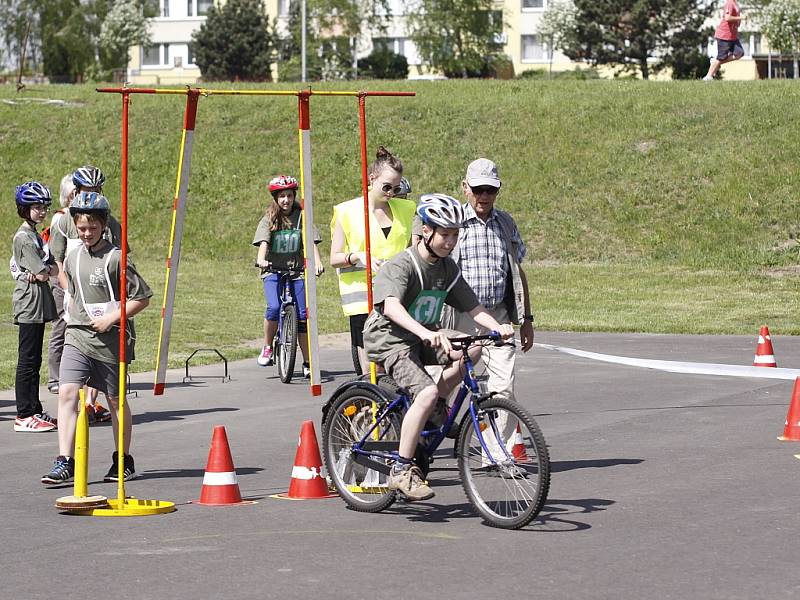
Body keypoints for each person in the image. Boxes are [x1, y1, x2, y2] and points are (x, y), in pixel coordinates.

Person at [363, 194, 514, 501]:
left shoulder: (447, 269)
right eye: (445, 234)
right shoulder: (402, 265)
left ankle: (435, 410)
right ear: (427, 231)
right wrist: (424, 332)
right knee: (426, 392)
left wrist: (499, 328)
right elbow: (391, 307)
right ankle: (402, 470)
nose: (450, 241)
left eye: (455, 235)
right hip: (390, 339)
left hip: (423, 335)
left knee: (472, 348)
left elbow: (474, 307)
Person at [41, 192, 152, 485]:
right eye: (81, 227)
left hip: (110, 339)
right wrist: (73, 310)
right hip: (77, 335)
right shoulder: (73, 255)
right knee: (66, 393)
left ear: (103, 225)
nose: (86, 233)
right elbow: (71, 286)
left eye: (92, 227)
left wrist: (110, 318)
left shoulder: (116, 259)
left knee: (115, 401)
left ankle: (122, 459)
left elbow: (141, 298)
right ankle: (64, 460)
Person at [413, 158, 534, 408]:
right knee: (440, 386)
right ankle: (427, 433)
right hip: (457, 316)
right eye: (479, 189)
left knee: (502, 391)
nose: (485, 196)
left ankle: (497, 448)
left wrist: (526, 320)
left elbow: (517, 272)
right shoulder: (452, 223)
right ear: (465, 187)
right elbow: (426, 267)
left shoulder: (506, 223)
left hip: (497, 315)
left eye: (491, 189)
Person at [330, 146, 416, 374]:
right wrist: (357, 256)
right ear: (372, 179)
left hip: (396, 295)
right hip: (363, 299)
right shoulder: (347, 211)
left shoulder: (407, 209)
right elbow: (334, 258)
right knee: (373, 371)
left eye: (396, 188)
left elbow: (413, 250)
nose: (391, 193)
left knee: (400, 366)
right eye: (386, 187)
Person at [49, 165, 119, 422]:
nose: (91, 194)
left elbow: (119, 258)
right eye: (86, 190)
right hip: (70, 286)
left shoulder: (109, 222)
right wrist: (70, 292)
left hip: (100, 291)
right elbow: (56, 262)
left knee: (100, 343)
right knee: (66, 334)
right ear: (76, 190)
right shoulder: (63, 221)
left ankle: (91, 401)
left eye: (96, 189)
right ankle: (61, 384)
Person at [254, 175, 324, 378]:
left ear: (294, 196)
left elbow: (310, 242)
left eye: (289, 196)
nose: (286, 200)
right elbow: (263, 242)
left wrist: (316, 262)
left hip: (296, 270)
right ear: (276, 198)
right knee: (274, 307)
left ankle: (308, 361)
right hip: (273, 270)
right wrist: (261, 259)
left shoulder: (302, 216)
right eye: (282, 196)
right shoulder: (270, 217)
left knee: (302, 315)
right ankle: (267, 346)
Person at [11, 182, 58, 432]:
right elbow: (43, 272)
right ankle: (24, 414)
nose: (42, 211)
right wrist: (46, 269)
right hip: (29, 303)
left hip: (38, 303)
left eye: (44, 207)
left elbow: (49, 267)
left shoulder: (34, 235)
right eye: (36, 207)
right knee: (27, 360)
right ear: (24, 209)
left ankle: (35, 408)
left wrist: (47, 269)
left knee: (35, 359)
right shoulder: (23, 238)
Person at [703, 0, 744, 81]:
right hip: (725, 35)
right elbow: (727, 18)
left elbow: (736, 22)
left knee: (739, 53)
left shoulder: (735, 4)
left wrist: (739, 20)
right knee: (722, 57)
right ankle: (708, 77)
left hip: (733, 36)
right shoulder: (730, 3)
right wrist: (741, 17)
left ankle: (715, 61)